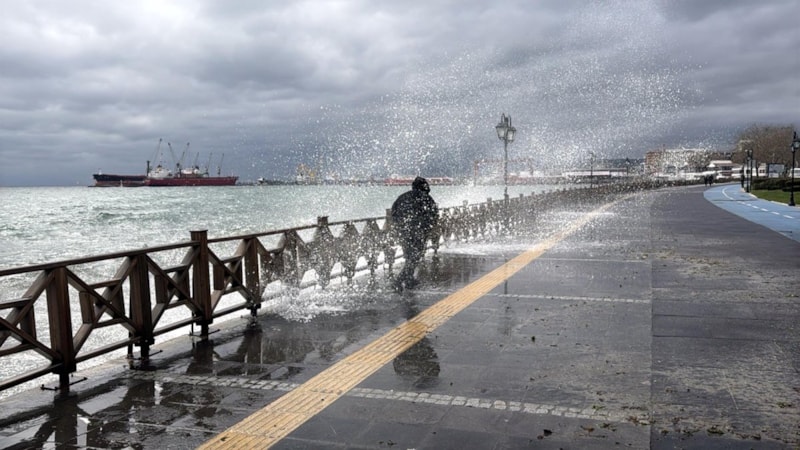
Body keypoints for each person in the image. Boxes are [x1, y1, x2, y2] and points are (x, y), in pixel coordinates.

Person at [391, 176, 439, 291]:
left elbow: (394, 212)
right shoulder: (426, 198)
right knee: (415, 257)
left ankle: (409, 279)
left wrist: (399, 227)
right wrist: (427, 227)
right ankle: (398, 281)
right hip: (418, 232)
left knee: (409, 256)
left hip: (403, 232)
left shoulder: (402, 197)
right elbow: (434, 214)